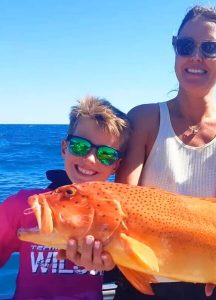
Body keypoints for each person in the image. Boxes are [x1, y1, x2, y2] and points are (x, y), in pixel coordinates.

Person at [61, 5, 216, 300]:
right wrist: (98, 250)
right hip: (144, 287)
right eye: (185, 45)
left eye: (209, 48)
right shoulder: (144, 119)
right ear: (174, 49)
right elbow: (121, 211)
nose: (195, 56)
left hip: (212, 287)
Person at [0, 96, 130, 299]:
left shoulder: (121, 217)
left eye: (106, 154)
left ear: (116, 166)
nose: (89, 159)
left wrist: (113, 265)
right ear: (64, 148)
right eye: (80, 146)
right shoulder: (23, 206)